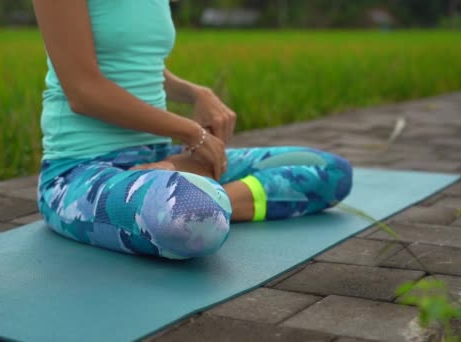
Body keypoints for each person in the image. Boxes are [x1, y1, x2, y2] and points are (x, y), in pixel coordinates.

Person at [33, 0, 353, 260]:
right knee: (190, 215)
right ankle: (193, 197)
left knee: (329, 172)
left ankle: (202, 196)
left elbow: (136, 63)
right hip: (81, 172)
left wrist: (196, 94)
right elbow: (84, 91)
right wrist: (190, 132)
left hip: (160, 158)